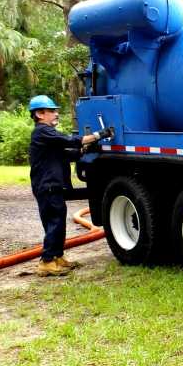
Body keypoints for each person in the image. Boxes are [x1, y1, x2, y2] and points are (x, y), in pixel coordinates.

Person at [28, 95, 112, 277]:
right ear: (40, 114)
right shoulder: (42, 132)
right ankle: (47, 262)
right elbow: (70, 141)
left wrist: (84, 150)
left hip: (53, 186)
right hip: (47, 186)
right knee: (54, 223)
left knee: (58, 222)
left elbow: (67, 154)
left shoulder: (48, 138)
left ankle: (57, 257)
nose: (56, 114)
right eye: (52, 111)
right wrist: (100, 134)